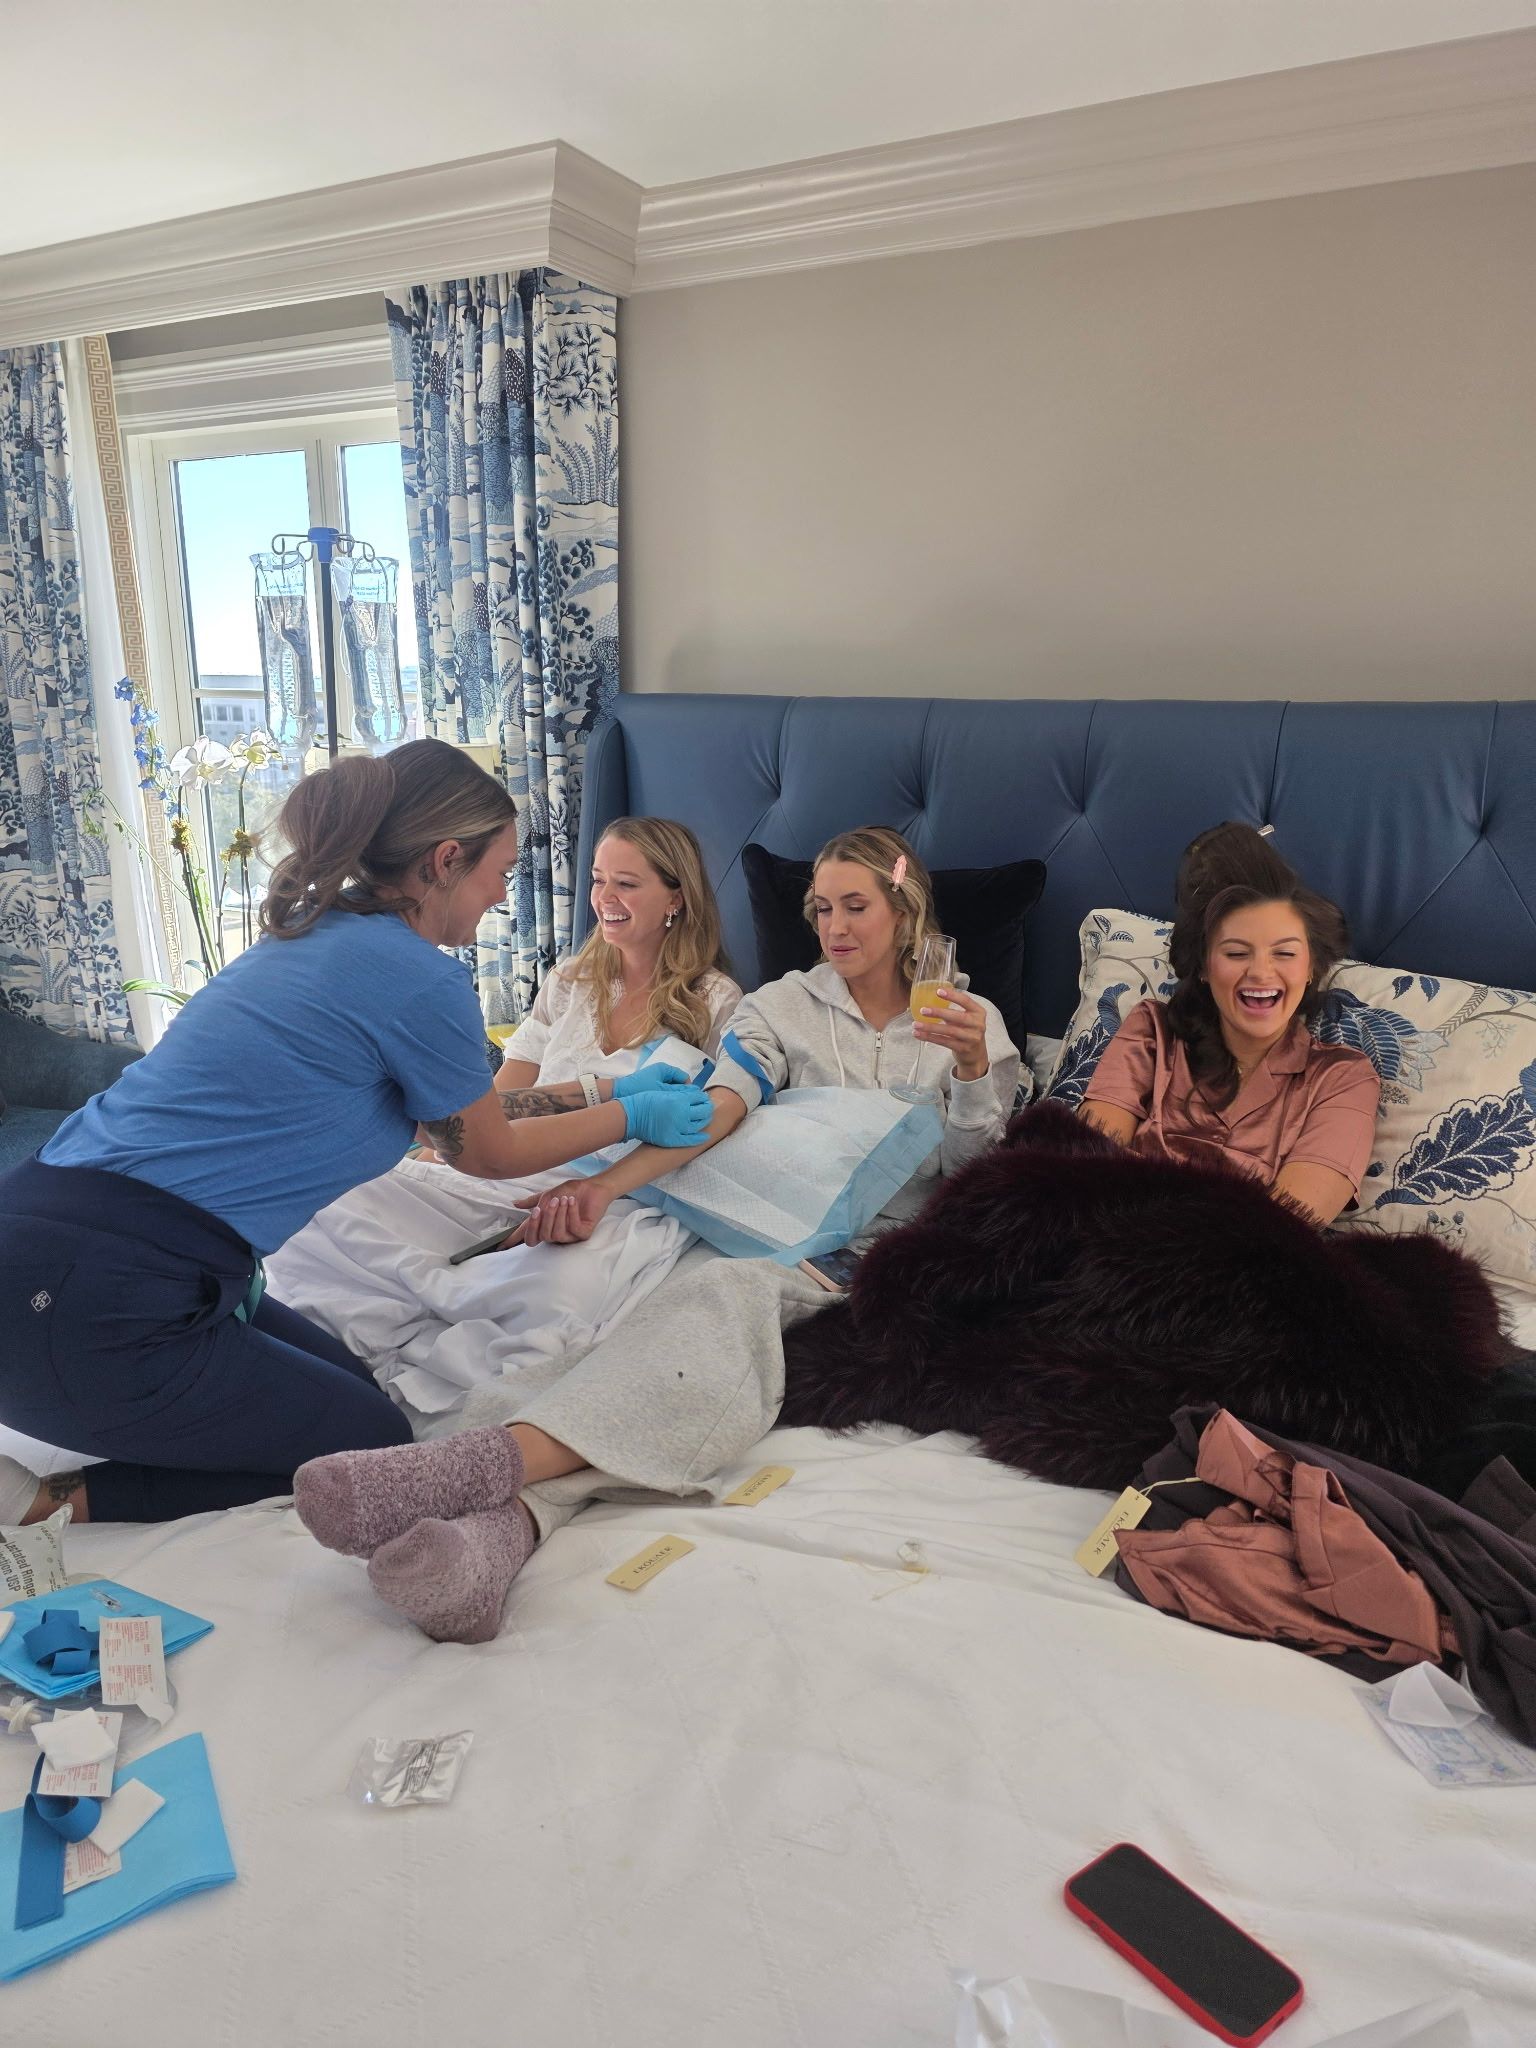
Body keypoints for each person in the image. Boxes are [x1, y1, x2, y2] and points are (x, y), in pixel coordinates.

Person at [294, 825, 1022, 1642]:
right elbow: (720, 1107)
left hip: (876, 1259)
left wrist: (968, 1073)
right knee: (633, 1347)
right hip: (773, 1232)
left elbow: (975, 1168)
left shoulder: (970, 1017)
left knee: (706, 1330)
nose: (835, 928)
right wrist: (603, 1186)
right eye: (821, 909)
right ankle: (487, 1530)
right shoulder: (780, 1006)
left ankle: (481, 1497)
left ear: (905, 914)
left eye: (856, 907)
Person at [0, 743, 712, 1526]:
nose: (502, 894)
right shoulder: (419, 976)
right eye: (498, 872)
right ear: (445, 860)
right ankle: (44, 1500)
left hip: (47, 1235)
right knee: (372, 1442)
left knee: (351, 1390)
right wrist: (630, 1116)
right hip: (89, 1297)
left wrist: (609, 1087)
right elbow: (486, 1155)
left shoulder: (310, 936)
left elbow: (458, 1119)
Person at [263, 818, 742, 1419]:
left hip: (606, 1195)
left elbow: (711, 1126)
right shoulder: (570, 982)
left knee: (558, 1296)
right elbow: (498, 1105)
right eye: (597, 881)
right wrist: (440, 1145)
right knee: (328, 1201)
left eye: (627, 883)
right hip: (505, 1165)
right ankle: (350, 1356)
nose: (604, 900)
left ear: (677, 896)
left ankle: (426, 1356)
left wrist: (602, 1183)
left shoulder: (715, 1002)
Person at [1079, 821, 1380, 1224]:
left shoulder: (1344, 1078)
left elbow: (1286, 1231)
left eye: (1285, 954)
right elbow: (1085, 1170)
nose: (1260, 973)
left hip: (1241, 1274)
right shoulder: (1152, 1031)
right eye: (1237, 953)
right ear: (1203, 966)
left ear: (1312, 968)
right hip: (1107, 1245)